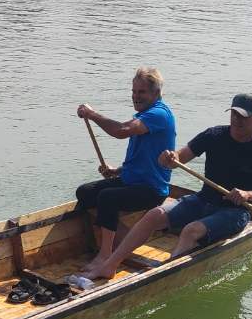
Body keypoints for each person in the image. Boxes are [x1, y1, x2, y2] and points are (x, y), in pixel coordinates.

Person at [69, 93, 252, 288]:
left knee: (191, 230)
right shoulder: (214, 135)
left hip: (234, 211)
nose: (237, 120)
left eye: (243, 116)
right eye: (234, 114)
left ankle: (164, 280)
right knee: (155, 215)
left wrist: (248, 194)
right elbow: (180, 158)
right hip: (202, 200)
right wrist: (170, 158)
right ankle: (110, 264)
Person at [73, 67, 177, 266]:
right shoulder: (145, 114)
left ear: (156, 93)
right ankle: (128, 237)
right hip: (131, 180)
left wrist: (92, 114)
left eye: (142, 92)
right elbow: (143, 156)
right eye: (134, 92)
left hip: (152, 189)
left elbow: (122, 130)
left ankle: (105, 256)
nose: (136, 97)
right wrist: (118, 171)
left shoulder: (158, 115)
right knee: (85, 193)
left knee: (107, 198)